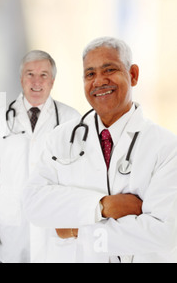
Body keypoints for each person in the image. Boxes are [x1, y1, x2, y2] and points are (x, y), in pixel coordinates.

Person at [25, 36, 177, 262]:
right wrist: (101, 207)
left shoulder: (166, 147)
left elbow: (164, 232)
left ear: (133, 75)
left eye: (110, 69)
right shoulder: (60, 139)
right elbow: (34, 205)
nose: (99, 81)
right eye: (90, 74)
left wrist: (77, 231)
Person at [0, 50, 80, 262]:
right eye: (30, 74)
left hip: (55, 222)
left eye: (44, 75)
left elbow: (80, 175)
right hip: (13, 223)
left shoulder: (71, 120)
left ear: (53, 81)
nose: (36, 81)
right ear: (21, 79)